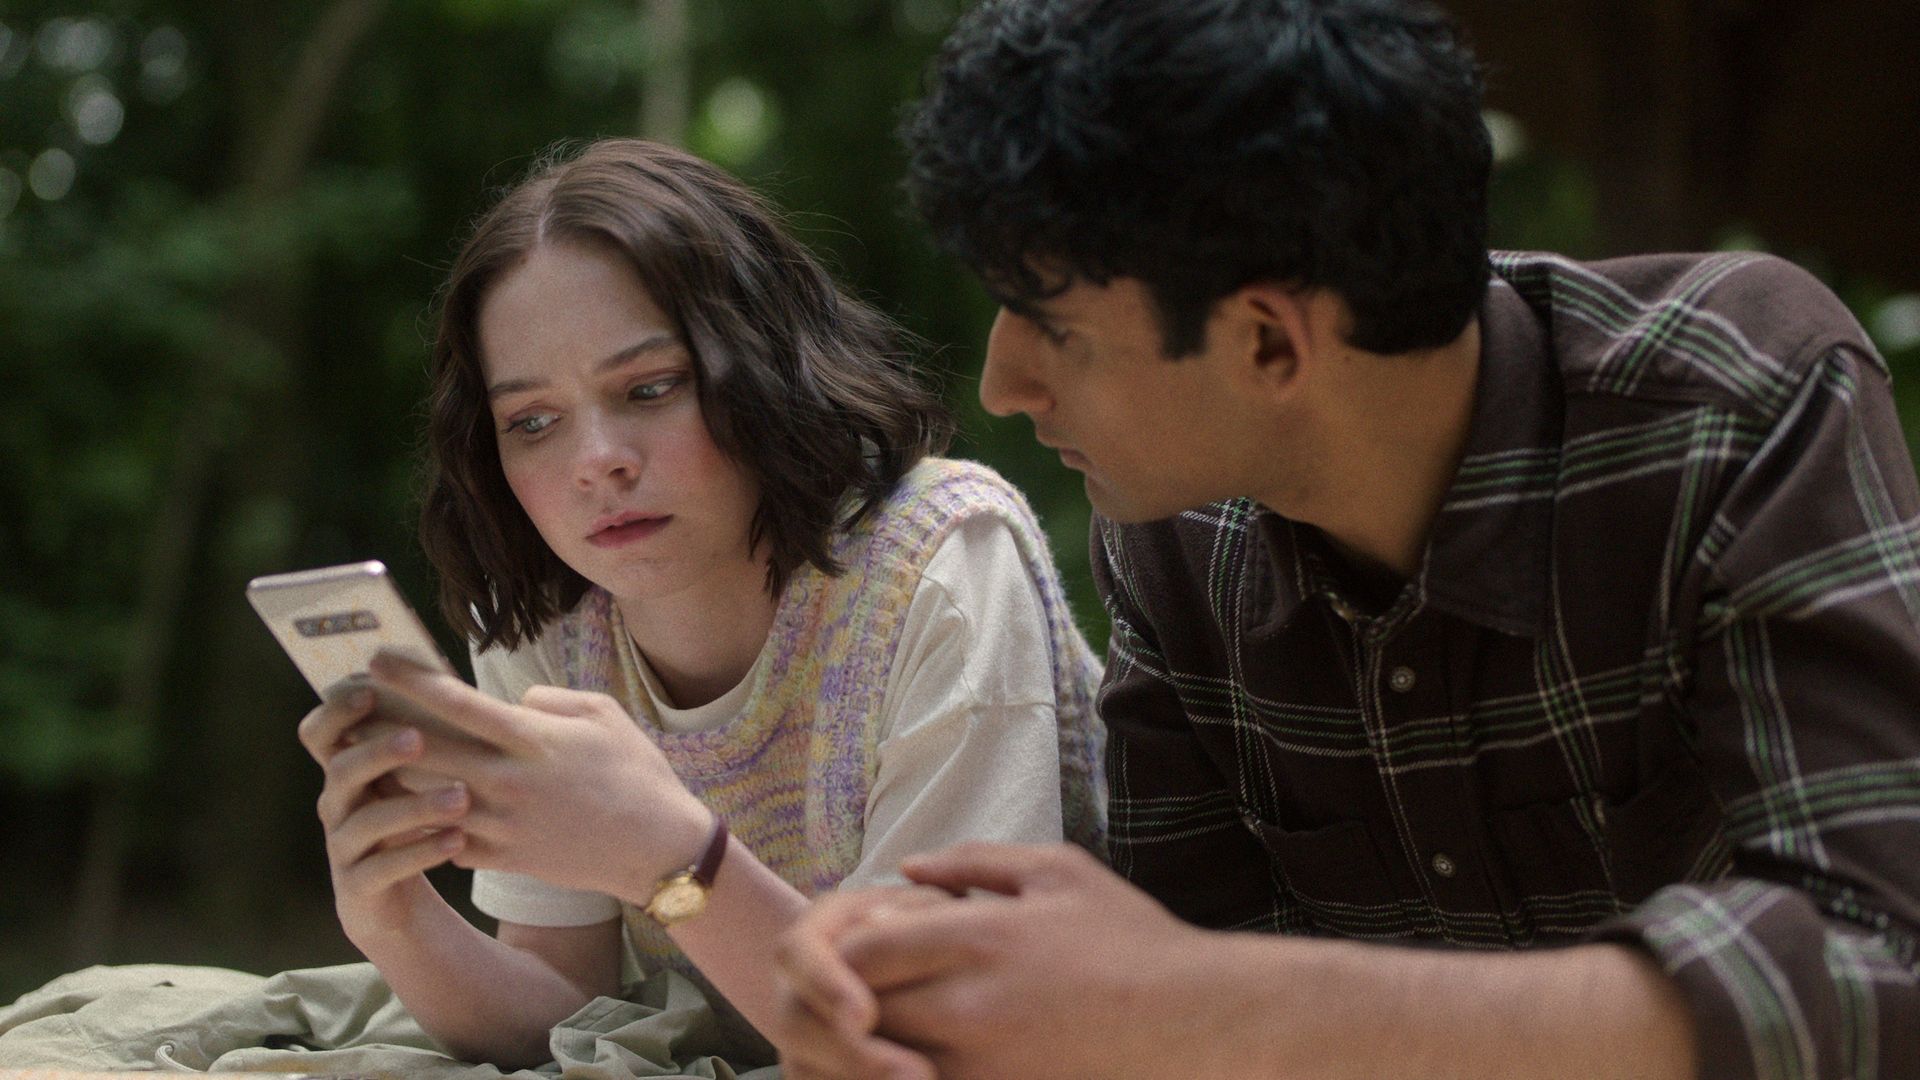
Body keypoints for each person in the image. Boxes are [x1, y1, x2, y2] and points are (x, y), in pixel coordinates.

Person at [769, 2, 1920, 1079]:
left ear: (1270, 343)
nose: (1001, 384)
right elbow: (1174, 996)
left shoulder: (1729, 400)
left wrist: (1207, 997)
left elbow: (1887, 967)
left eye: (1053, 328)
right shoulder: (1174, 531)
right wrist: (917, 1006)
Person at [296, 138, 1105, 1069]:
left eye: (650, 388)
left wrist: (675, 859)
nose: (597, 461)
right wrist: (393, 919)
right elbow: (563, 1007)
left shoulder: (938, 565)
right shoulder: (547, 612)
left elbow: (938, 1046)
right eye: (533, 421)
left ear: (766, 365)